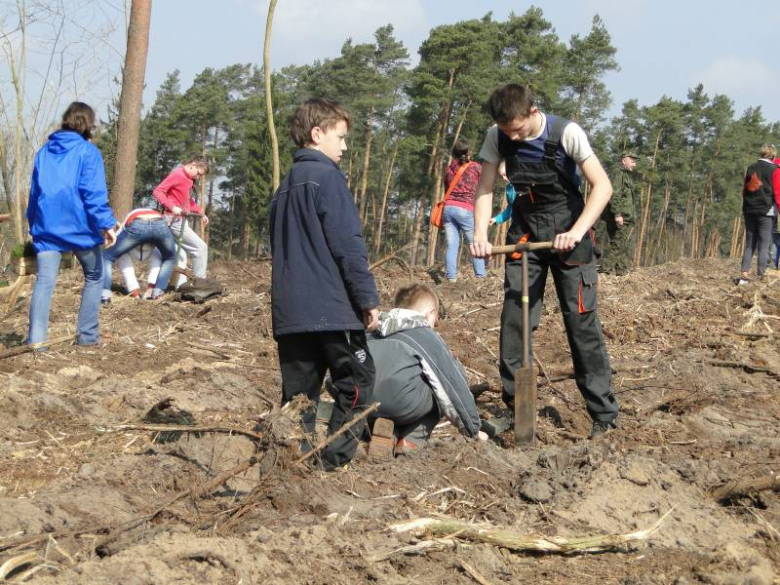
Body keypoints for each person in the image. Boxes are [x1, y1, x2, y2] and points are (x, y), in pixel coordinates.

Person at [469, 84, 619, 439]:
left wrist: (577, 231)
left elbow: (602, 186)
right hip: (525, 234)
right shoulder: (497, 136)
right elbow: (485, 187)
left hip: (570, 232)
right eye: (506, 131)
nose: (512, 137)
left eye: (517, 129)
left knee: (581, 324)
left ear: (533, 113)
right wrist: (480, 235)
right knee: (515, 321)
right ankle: (517, 408)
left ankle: (604, 414)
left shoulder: (566, 132)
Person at [270, 98, 380, 471]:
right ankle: (332, 462)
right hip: (332, 310)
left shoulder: (283, 187)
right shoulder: (328, 178)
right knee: (358, 383)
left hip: (291, 313)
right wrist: (367, 299)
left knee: (298, 397)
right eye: (341, 137)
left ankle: (291, 466)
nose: (345, 147)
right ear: (317, 134)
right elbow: (348, 244)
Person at [356, 283, 485, 456]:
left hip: (363, 403)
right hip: (402, 404)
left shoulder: (373, 330)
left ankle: (388, 434)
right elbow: (451, 386)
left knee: (394, 389)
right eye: (436, 318)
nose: (436, 324)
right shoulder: (424, 335)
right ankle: (412, 440)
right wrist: (473, 430)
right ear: (430, 313)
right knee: (444, 382)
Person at [26, 102, 118, 346]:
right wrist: (107, 224)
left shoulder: (44, 152)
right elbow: (92, 194)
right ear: (89, 125)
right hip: (80, 230)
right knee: (95, 275)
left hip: (47, 228)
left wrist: (33, 224)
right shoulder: (89, 152)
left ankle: (36, 342)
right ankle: (87, 336)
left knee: (44, 282)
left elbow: (35, 193)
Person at [100, 208, 177, 304]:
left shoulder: (131, 216)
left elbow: (117, 236)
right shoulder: (155, 214)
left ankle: (106, 295)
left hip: (138, 223)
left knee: (107, 257)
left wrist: (109, 245)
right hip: (160, 223)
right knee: (169, 258)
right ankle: (156, 292)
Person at [152, 156, 209, 279]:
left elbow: (187, 201)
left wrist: (201, 213)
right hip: (173, 221)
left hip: (181, 221)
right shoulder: (177, 175)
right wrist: (172, 207)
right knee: (200, 248)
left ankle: (171, 284)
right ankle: (199, 282)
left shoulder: (188, 179)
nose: (198, 177)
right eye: (198, 174)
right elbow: (158, 191)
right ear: (193, 165)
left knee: (180, 256)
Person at [442, 139, 486, 282]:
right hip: (465, 209)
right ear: (468, 152)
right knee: (474, 244)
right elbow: (484, 187)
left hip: (448, 209)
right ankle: (480, 277)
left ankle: (451, 278)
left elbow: (446, 190)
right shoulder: (476, 168)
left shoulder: (449, 169)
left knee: (452, 245)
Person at [738, 144, 780, 284]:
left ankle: (744, 273)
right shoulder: (775, 170)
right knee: (764, 244)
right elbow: (777, 193)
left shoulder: (751, 168)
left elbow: (744, 190)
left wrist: (746, 206)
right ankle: (761, 274)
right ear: (773, 155)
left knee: (750, 243)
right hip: (766, 211)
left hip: (749, 210)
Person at [597, 152, 638, 276]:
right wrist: (617, 214)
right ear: (624, 160)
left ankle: (621, 270)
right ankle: (605, 269)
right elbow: (615, 195)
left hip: (625, 216)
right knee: (618, 243)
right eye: (632, 161)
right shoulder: (618, 173)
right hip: (621, 216)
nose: (634, 164)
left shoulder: (625, 175)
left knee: (623, 244)